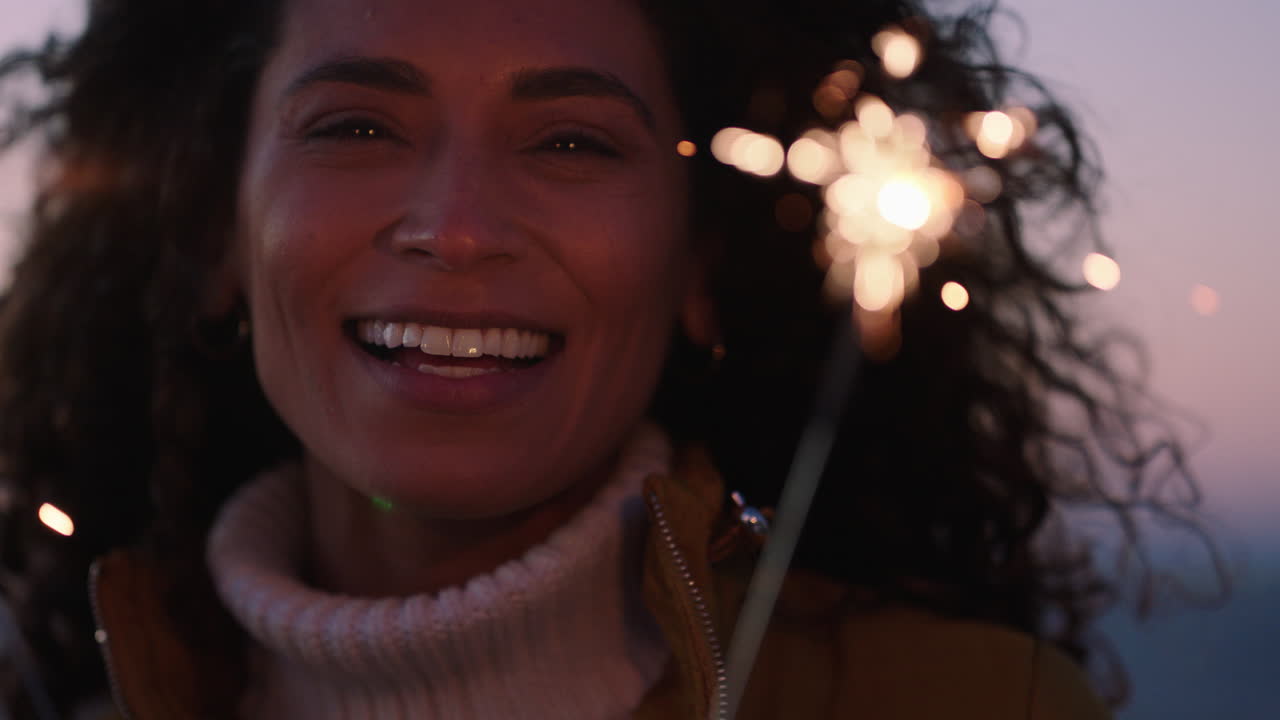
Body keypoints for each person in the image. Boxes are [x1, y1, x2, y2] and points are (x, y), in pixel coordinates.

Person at [0, 0, 1194, 717]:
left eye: (571, 140)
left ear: (700, 263)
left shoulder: (974, 710)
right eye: (356, 126)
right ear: (215, 229)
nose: (457, 227)